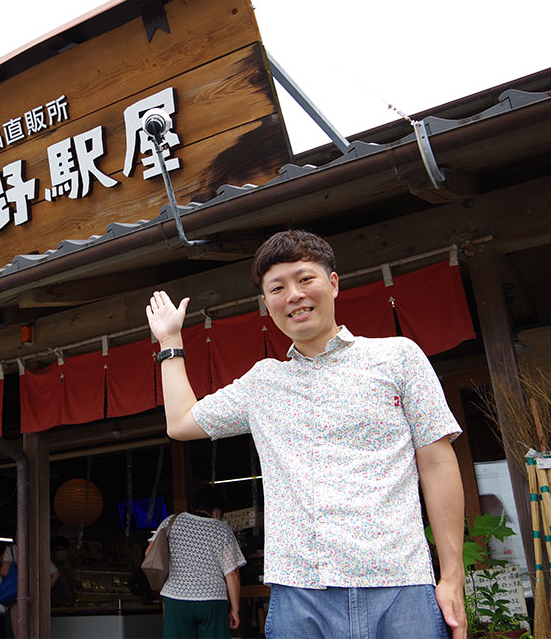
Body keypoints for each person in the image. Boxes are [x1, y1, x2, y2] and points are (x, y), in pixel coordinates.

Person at [145, 230, 466, 639]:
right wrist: (170, 340)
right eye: (277, 288)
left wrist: (452, 577)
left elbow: (437, 464)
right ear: (267, 304)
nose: (293, 295)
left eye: (305, 279)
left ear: (332, 283)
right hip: (300, 594)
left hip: (400, 583)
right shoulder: (262, 383)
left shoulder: (397, 357)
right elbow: (182, 423)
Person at [147, 486, 245, 638]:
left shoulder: (171, 522)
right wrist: (235, 609)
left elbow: (149, 554)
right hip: (212, 600)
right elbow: (232, 573)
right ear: (216, 510)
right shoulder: (222, 529)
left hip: (176, 598)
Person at [0, 542, 60, 638]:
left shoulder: (12, 549)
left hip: (17, 596)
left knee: (17, 632)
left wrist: (0, 570)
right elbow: (55, 574)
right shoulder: (39, 550)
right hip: (36, 599)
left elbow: (5, 571)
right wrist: (42, 592)